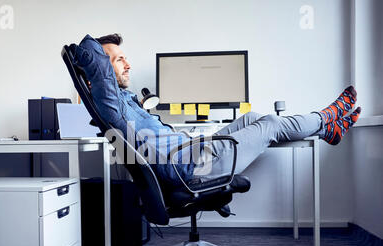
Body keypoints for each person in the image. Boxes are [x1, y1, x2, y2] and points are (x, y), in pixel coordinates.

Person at [71, 33, 361, 188]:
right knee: (271, 123)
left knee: (251, 117)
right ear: (100, 72)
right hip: (192, 166)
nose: (128, 65)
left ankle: (327, 130)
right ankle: (328, 117)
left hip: (193, 149)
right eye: (119, 59)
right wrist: (83, 55)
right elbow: (90, 55)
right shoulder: (109, 105)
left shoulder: (125, 100)